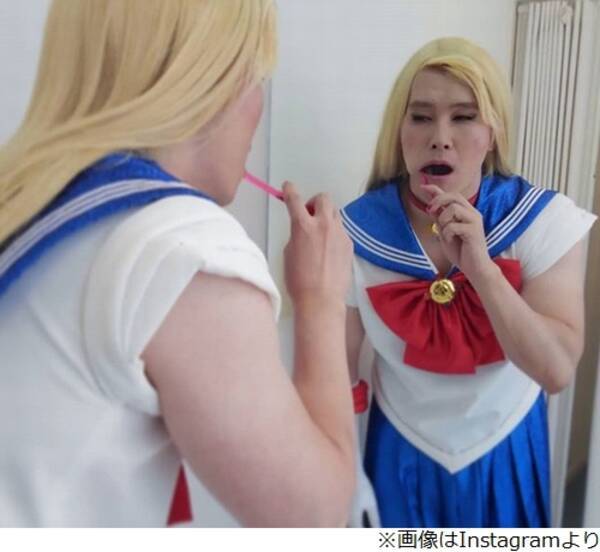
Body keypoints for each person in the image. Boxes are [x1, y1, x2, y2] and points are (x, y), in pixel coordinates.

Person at [0, 0, 356, 527]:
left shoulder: (26, 204)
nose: (257, 105)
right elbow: (313, 519)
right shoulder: (183, 247)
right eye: (256, 75)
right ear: (211, 79)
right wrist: (321, 300)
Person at [342, 37, 597, 528]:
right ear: (399, 132)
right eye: (421, 117)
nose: (440, 137)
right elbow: (336, 377)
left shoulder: (545, 222)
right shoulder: (351, 233)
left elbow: (557, 371)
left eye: (463, 117)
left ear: (492, 133)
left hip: (506, 447)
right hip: (398, 451)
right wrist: (343, 485)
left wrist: (482, 270)